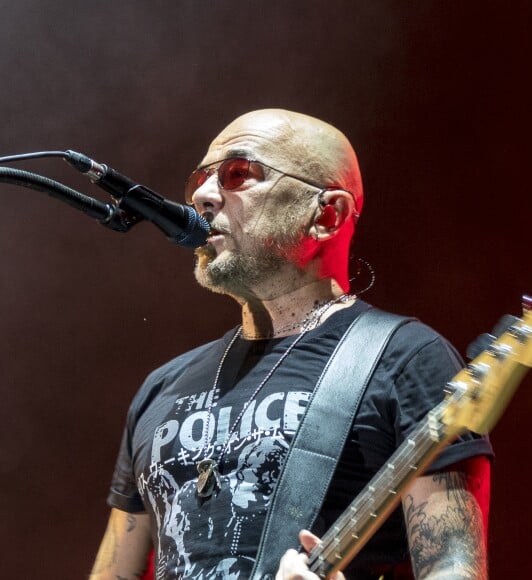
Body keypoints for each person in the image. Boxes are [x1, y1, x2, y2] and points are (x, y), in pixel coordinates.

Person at [89, 109, 493, 580]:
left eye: (238, 174)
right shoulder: (163, 386)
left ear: (326, 214)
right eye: (199, 178)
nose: (201, 196)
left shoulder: (406, 360)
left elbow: (454, 568)